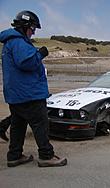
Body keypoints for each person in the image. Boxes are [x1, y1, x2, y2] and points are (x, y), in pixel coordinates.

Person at [0, 10, 67, 167]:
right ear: (25, 26)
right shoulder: (18, 42)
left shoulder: (11, 41)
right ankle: (46, 156)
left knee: (18, 125)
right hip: (29, 94)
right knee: (41, 124)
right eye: (33, 28)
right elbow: (27, 63)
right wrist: (40, 53)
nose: (33, 32)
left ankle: (14, 156)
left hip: (17, 94)